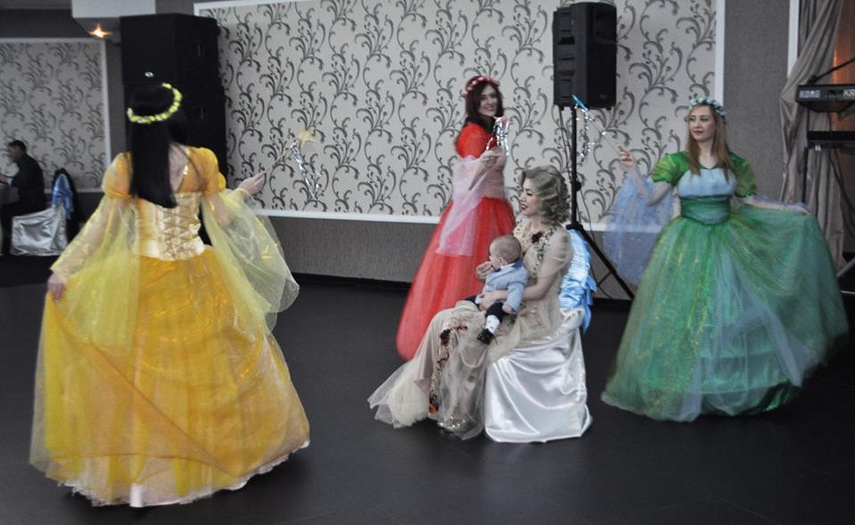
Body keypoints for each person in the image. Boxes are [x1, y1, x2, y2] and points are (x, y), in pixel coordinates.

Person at [29, 83, 309, 506]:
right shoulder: (201, 161)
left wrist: (65, 268)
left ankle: (151, 468)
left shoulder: (127, 166)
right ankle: (218, 452)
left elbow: (102, 226)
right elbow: (221, 218)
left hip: (146, 275)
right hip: (199, 273)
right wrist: (242, 192)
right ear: (176, 117)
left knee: (143, 371)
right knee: (216, 366)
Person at [601, 97, 848, 422]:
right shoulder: (677, 162)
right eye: (692, 119)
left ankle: (726, 385)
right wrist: (633, 170)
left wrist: (789, 210)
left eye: (703, 119)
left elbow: (749, 202)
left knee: (727, 312)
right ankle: (685, 386)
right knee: (687, 315)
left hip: (727, 239)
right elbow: (650, 199)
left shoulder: (734, 164)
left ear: (716, 124)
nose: (697, 125)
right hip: (687, 243)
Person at [371, 166, 589, 440]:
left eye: (529, 193)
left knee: (471, 337)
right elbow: (511, 268)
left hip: (530, 312)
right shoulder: (522, 228)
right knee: (441, 319)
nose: (521, 197)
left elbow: (541, 290)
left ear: (546, 198)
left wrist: (499, 295)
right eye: (522, 191)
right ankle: (427, 385)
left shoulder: (558, 239)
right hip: (506, 301)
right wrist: (488, 271)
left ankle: (464, 410)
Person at [395, 75, 515, 360]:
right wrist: (481, 165)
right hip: (480, 213)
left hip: (496, 207)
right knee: (475, 271)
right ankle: (467, 338)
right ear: (473, 102)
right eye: (483, 97)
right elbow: (466, 180)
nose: (489, 101)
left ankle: (487, 333)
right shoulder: (474, 133)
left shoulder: (491, 130)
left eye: (493, 96)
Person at [464, 234, 527, 344]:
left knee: (495, 311)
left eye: (491, 255)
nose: (489, 257)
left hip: (502, 302)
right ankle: (464, 312)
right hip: (487, 296)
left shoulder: (517, 274)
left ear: (501, 260)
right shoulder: (500, 268)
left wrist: (510, 305)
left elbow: (516, 290)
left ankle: (488, 331)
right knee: (469, 300)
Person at [0, 140, 47, 253]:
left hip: (33, 203)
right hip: (33, 201)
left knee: (5, 212)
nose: (9, 154)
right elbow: (19, 180)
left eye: (10, 151)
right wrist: (4, 179)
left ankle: (20, 241)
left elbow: (22, 182)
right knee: (5, 210)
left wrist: (4, 178)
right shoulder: (27, 162)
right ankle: (18, 240)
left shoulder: (27, 163)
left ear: (18, 149)